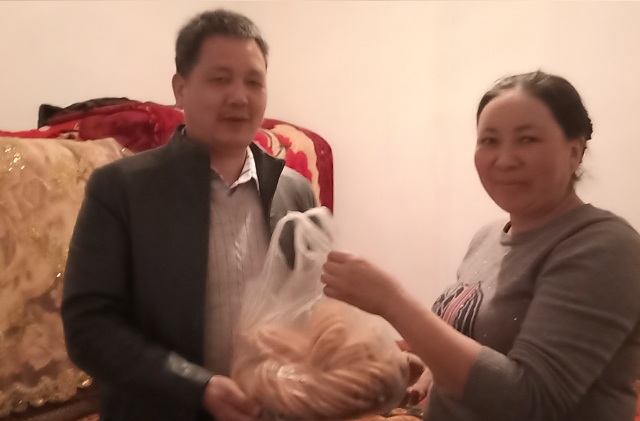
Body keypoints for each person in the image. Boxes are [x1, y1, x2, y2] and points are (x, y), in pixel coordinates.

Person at [322, 70, 640, 421]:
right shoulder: (487, 237)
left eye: (528, 139)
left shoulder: (604, 246)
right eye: (489, 140)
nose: (504, 159)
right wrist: (429, 369)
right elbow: (480, 343)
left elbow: (532, 401)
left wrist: (392, 301)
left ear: (575, 151)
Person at [61, 9, 316, 421]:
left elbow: (315, 311)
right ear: (180, 89)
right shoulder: (120, 190)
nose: (240, 97)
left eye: (254, 81)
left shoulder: (296, 191)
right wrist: (198, 388)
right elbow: (88, 327)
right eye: (220, 79)